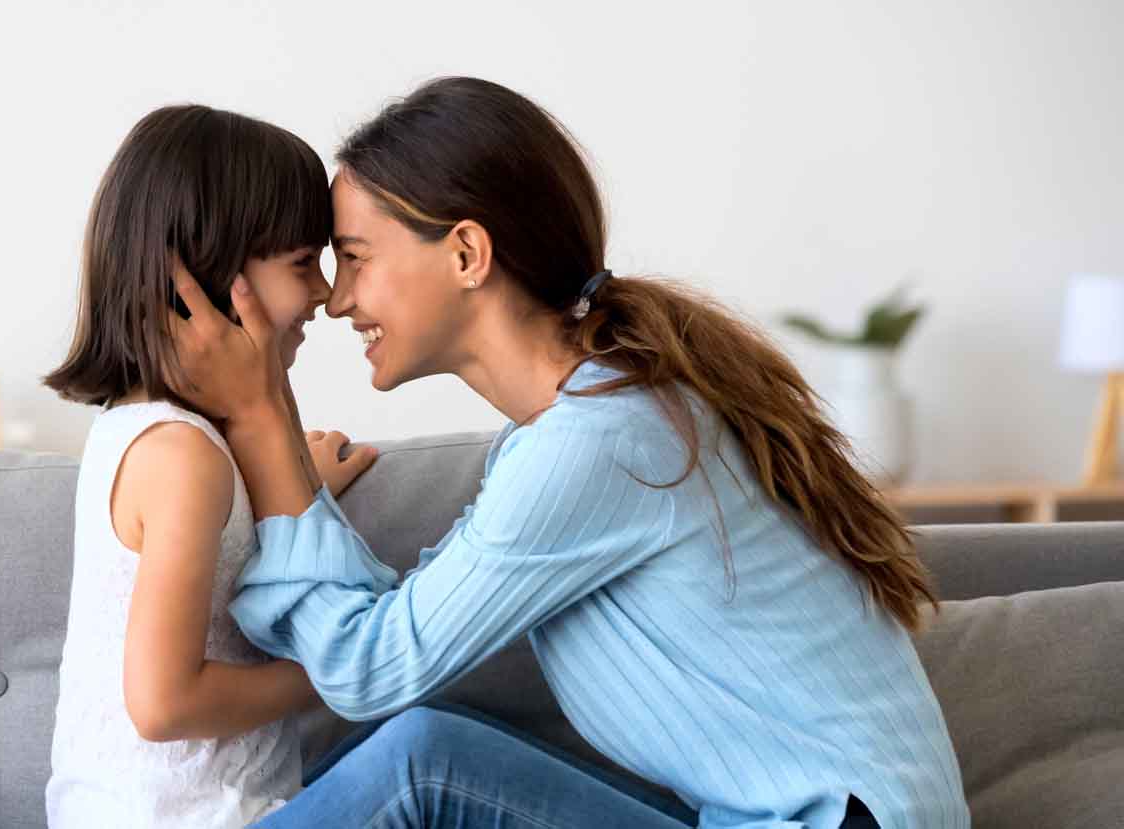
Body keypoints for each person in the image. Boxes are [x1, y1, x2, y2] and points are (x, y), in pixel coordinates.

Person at [165, 77, 970, 828]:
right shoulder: (578, 427)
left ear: (467, 254)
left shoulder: (603, 438)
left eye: (357, 258)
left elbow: (369, 668)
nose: (338, 300)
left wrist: (261, 413)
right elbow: (404, 627)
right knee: (430, 748)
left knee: (422, 760)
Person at [39, 103, 377, 828]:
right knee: (422, 753)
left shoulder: (152, 436)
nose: (323, 292)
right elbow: (165, 703)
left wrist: (298, 489)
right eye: (301, 264)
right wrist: (327, 674)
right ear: (208, 278)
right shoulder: (185, 459)